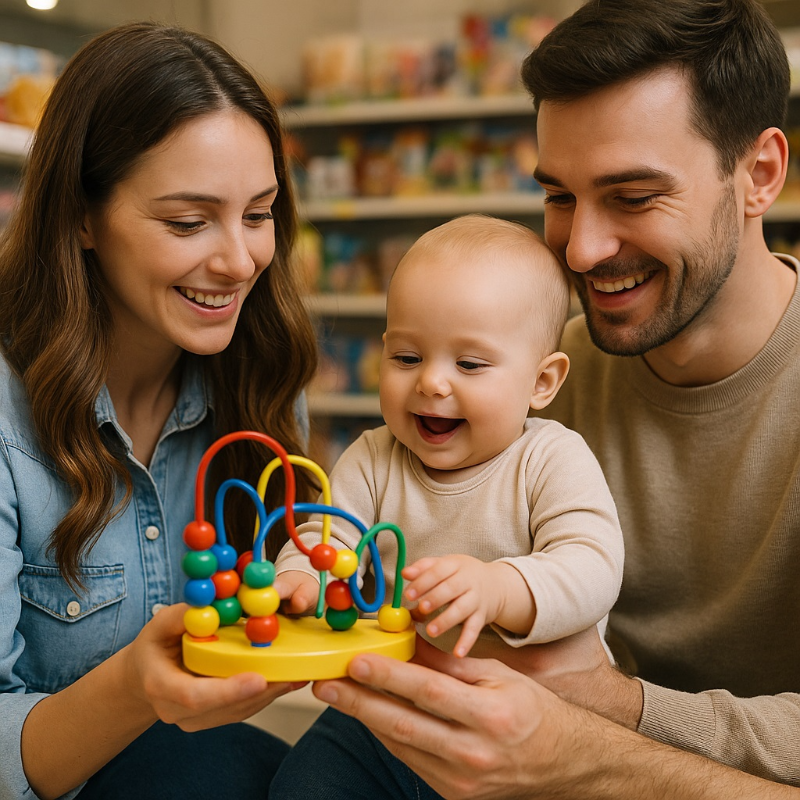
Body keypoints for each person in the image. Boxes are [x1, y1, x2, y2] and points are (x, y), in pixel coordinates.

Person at [302, 0, 800, 797]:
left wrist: (614, 712)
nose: (580, 248)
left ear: (760, 175)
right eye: (560, 196)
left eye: (633, 197)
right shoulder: (524, 373)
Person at [0, 21, 319, 800]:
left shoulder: (263, 381)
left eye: (259, 213)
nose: (239, 261)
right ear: (79, 217)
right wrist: (138, 686)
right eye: (187, 221)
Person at [268, 214, 624, 797]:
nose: (432, 383)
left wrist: (499, 588)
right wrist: (301, 576)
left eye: (470, 364)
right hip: (385, 715)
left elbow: (594, 566)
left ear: (542, 382)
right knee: (303, 786)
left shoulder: (551, 459)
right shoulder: (372, 458)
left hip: (525, 729)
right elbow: (327, 538)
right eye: (407, 358)